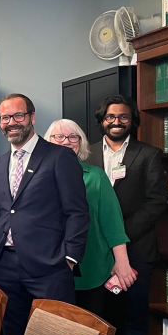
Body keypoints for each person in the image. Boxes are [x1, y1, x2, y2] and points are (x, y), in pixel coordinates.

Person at [0, 94, 89, 335]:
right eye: (5, 117)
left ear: (32, 117)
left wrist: (70, 257)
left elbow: (77, 212)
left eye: (18, 116)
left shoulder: (59, 157)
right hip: (3, 264)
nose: (12, 123)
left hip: (49, 265)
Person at [86, 95, 167, 335]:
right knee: (101, 318)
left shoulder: (149, 154)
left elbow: (156, 201)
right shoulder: (88, 154)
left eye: (123, 117)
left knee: (133, 318)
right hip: (96, 253)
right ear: (102, 120)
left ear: (132, 121)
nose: (117, 122)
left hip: (136, 251)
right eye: (111, 117)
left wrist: (117, 235)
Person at [44, 119, 135, 318]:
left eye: (72, 137)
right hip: (50, 267)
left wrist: (122, 262)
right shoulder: (39, 177)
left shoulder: (96, 176)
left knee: (90, 331)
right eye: (58, 136)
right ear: (47, 142)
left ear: (81, 142)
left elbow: (112, 223)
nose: (66, 141)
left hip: (92, 266)